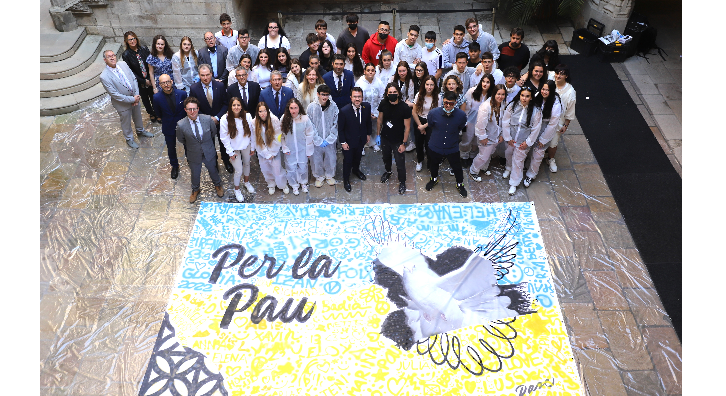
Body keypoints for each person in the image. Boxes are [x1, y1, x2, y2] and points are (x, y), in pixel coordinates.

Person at [99, 50, 153, 149]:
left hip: (135, 98)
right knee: (126, 121)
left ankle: (140, 131)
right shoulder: (104, 76)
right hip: (122, 103)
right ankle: (129, 139)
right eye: (109, 56)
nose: (112, 58)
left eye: (113, 55)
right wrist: (131, 99)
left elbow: (133, 78)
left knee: (138, 116)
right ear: (105, 60)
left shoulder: (123, 64)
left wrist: (136, 96)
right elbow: (114, 94)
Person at [176, 96, 225, 203]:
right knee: (195, 173)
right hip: (193, 154)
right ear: (185, 110)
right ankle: (195, 189)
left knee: (213, 170)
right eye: (189, 109)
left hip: (208, 151)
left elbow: (213, 133)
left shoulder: (207, 119)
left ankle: (218, 185)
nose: (192, 112)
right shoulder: (181, 125)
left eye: (194, 109)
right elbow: (181, 139)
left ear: (198, 109)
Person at [425, 90, 468, 197]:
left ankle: (460, 184)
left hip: (452, 147)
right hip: (435, 145)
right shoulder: (433, 113)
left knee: (457, 167)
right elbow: (430, 125)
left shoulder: (461, 115)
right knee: (433, 165)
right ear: (442, 102)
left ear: (455, 103)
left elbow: (461, 127)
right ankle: (433, 179)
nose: (448, 105)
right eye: (446, 103)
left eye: (451, 103)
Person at [189, 64, 231, 173]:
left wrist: (217, 117)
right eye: (202, 75)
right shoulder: (194, 89)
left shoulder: (220, 86)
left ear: (211, 74)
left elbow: (226, 104)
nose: (205, 77)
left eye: (208, 75)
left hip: (220, 120)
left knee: (223, 142)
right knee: (209, 145)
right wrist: (208, 119)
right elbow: (194, 107)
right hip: (204, 122)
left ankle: (226, 161)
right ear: (199, 75)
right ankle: (214, 164)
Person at [501, 86, 542, 195]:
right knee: (509, 154)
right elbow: (505, 121)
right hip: (511, 139)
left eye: (527, 96)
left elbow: (535, 129)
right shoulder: (512, 106)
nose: (524, 98)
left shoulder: (536, 111)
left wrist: (527, 142)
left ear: (531, 97)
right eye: (522, 95)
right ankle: (508, 168)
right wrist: (508, 137)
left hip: (523, 142)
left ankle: (514, 183)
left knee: (518, 161)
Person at [524, 80, 562, 186]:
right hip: (534, 125)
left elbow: (552, 124)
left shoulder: (555, 103)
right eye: (543, 89)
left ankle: (531, 175)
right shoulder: (537, 95)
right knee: (528, 146)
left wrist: (543, 139)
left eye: (547, 90)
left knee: (538, 152)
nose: (544, 92)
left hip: (545, 128)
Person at [377, 83, 412, 195]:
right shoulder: (383, 103)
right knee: (386, 158)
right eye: (390, 93)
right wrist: (378, 135)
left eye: (394, 92)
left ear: (398, 93)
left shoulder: (404, 107)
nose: (392, 94)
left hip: (398, 140)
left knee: (400, 163)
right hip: (385, 138)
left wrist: (404, 143)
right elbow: (380, 119)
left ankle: (402, 181)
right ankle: (388, 171)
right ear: (387, 94)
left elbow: (407, 127)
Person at [220, 97, 256, 201]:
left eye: (238, 105)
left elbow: (252, 133)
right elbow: (224, 137)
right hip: (233, 149)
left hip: (246, 146)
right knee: (238, 170)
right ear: (230, 107)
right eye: (234, 105)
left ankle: (246, 182)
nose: (236, 107)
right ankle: (237, 189)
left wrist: (252, 146)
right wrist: (230, 152)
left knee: (247, 164)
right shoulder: (224, 119)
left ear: (241, 106)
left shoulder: (247, 116)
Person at [152, 73, 188, 179]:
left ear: (172, 82)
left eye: (168, 82)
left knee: (187, 144)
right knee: (171, 147)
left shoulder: (182, 94)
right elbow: (158, 113)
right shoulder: (157, 97)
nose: (166, 85)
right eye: (163, 83)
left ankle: (190, 160)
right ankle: (175, 166)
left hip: (182, 125)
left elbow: (186, 110)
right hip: (168, 126)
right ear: (160, 85)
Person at [469, 84, 507, 180]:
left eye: (503, 94)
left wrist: (502, 134)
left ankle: (484, 168)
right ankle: (474, 171)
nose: (500, 97)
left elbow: (504, 121)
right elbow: (480, 124)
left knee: (489, 154)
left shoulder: (503, 104)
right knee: (483, 156)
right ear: (494, 93)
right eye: (498, 94)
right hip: (486, 137)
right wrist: (483, 137)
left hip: (496, 136)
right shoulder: (485, 106)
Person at [339, 87, 372, 192]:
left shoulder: (367, 107)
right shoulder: (344, 111)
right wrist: (343, 142)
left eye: (359, 97)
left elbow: (368, 122)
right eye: (355, 97)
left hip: (361, 140)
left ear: (362, 97)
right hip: (348, 142)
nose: (357, 99)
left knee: (358, 158)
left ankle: (356, 171)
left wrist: (368, 134)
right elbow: (340, 129)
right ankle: (346, 179)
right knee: (348, 161)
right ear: (350, 97)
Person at [280, 98, 315, 195]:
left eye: (295, 108)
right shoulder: (284, 119)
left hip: (302, 149)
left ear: (299, 108)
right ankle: (294, 185)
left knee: (303, 166)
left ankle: (303, 183)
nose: (294, 110)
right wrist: (284, 147)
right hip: (290, 150)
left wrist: (309, 150)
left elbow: (310, 134)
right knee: (291, 168)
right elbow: (281, 136)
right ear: (288, 109)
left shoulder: (304, 119)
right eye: (291, 108)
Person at [307, 85, 339, 188]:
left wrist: (330, 138)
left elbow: (336, 123)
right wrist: (317, 139)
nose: (325, 97)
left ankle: (330, 175)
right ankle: (319, 176)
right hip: (316, 140)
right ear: (318, 94)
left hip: (330, 140)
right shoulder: (311, 107)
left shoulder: (333, 106)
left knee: (331, 157)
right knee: (316, 159)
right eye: (322, 95)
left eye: (326, 95)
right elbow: (310, 125)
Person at [253, 102, 289, 195]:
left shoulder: (274, 120)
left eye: (265, 111)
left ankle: (282, 184)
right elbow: (256, 140)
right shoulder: (254, 122)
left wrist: (272, 152)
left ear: (267, 111)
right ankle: (271, 184)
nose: (263, 113)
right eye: (260, 111)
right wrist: (266, 153)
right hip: (262, 152)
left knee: (277, 169)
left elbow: (278, 137)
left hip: (274, 151)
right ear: (257, 112)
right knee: (266, 169)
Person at [121, 31, 157, 123]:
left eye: (134, 38)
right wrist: (143, 81)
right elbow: (130, 71)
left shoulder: (144, 49)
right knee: (145, 98)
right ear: (126, 41)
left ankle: (157, 112)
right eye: (130, 39)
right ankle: (151, 113)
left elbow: (150, 63)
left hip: (149, 77)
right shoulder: (126, 54)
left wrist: (149, 78)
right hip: (139, 81)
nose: (132, 41)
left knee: (154, 96)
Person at [461, 73, 496, 165]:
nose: (485, 84)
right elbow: (465, 106)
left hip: (483, 122)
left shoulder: (492, 95)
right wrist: (464, 120)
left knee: (477, 141)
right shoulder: (472, 91)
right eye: (483, 81)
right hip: (470, 120)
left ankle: (472, 155)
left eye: (488, 82)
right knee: (466, 139)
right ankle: (464, 156)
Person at [546, 64, 576, 173]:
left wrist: (566, 124)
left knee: (553, 142)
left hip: (558, 121)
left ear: (566, 76)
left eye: (561, 74)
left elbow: (570, 110)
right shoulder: (550, 82)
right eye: (557, 73)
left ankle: (550, 159)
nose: (558, 76)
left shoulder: (570, 92)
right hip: (543, 117)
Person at [355, 63, 386, 153]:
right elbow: (357, 99)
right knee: (362, 127)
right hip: (362, 110)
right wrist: (366, 112)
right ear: (364, 72)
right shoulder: (359, 83)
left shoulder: (379, 82)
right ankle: (361, 145)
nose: (370, 72)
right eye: (368, 70)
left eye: (372, 70)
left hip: (375, 109)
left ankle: (373, 143)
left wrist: (377, 112)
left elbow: (381, 97)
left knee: (374, 127)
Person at [411, 75, 439, 172]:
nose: (429, 87)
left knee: (429, 144)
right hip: (419, 121)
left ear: (435, 86)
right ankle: (419, 160)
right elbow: (414, 112)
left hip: (431, 123)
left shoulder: (438, 97)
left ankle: (430, 162)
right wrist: (420, 126)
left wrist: (424, 126)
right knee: (418, 143)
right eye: (427, 84)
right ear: (424, 85)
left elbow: (437, 115)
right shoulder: (419, 95)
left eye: (432, 85)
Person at [390, 61, 416, 152]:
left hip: (405, 107)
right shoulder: (392, 79)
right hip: (393, 105)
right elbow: (388, 93)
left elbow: (410, 97)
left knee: (409, 125)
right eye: (400, 71)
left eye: (404, 71)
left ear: (407, 70)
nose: (402, 73)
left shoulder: (410, 81)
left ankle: (411, 142)